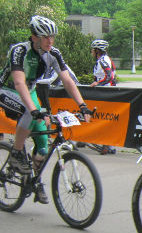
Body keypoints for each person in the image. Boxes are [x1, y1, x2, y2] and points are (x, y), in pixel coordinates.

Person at [0, 15, 92, 203]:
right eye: (46, 37)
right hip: (8, 89)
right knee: (30, 112)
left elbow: (67, 80)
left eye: (52, 37)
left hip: (30, 91)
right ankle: (16, 153)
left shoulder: (53, 53)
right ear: (34, 37)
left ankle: (36, 181)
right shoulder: (19, 51)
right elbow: (19, 83)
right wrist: (34, 110)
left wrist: (82, 105)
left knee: (43, 143)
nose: (50, 41)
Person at [89, 39, 117, 154]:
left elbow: (109, 76)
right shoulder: (104, 59)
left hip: (106, 93)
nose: (91, 52)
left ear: (97, 51)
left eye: (93, 50)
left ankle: (107, 145)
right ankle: (109, 145)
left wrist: (98, 83)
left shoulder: (103, 60)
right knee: (104, 118)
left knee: (104, 118)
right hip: (106, 92)